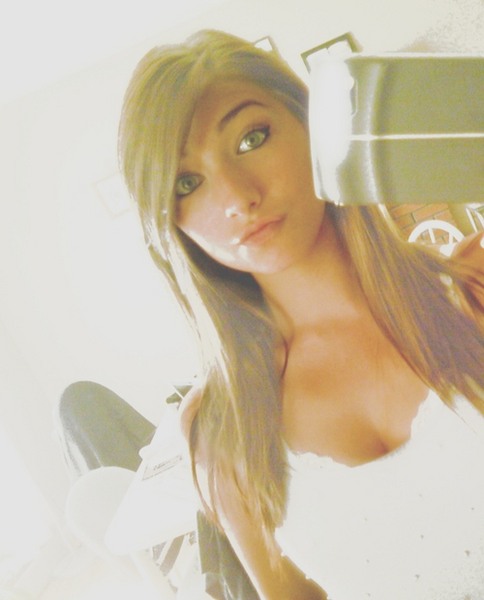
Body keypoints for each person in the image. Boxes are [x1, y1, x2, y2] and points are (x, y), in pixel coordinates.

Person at [118, 29, 484, 600]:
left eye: (251, 138)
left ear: (314, 127)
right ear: (171, 223)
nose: (237, 197)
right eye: (187, 182)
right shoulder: (221, 426)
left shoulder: (471, 291)